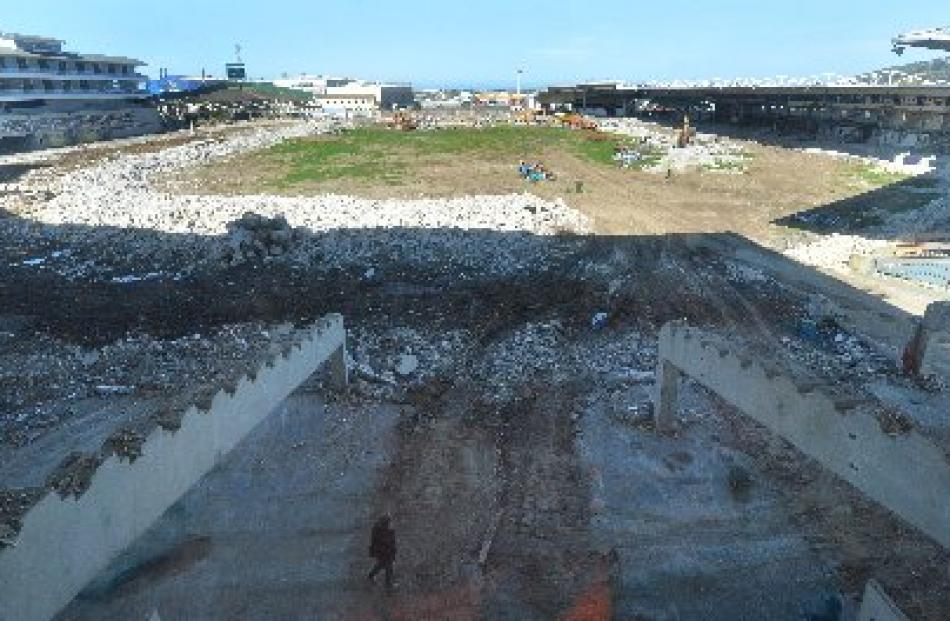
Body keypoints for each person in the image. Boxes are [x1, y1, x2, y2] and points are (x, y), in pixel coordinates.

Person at [367, 514, 396, 588]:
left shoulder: (378, 529)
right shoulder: (384, 531)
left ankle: (371, 575)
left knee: (381, 565)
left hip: (382, 552)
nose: (391, 524)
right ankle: (389, 584)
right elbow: (389, 542)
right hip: (385, 552)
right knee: (389, 567)